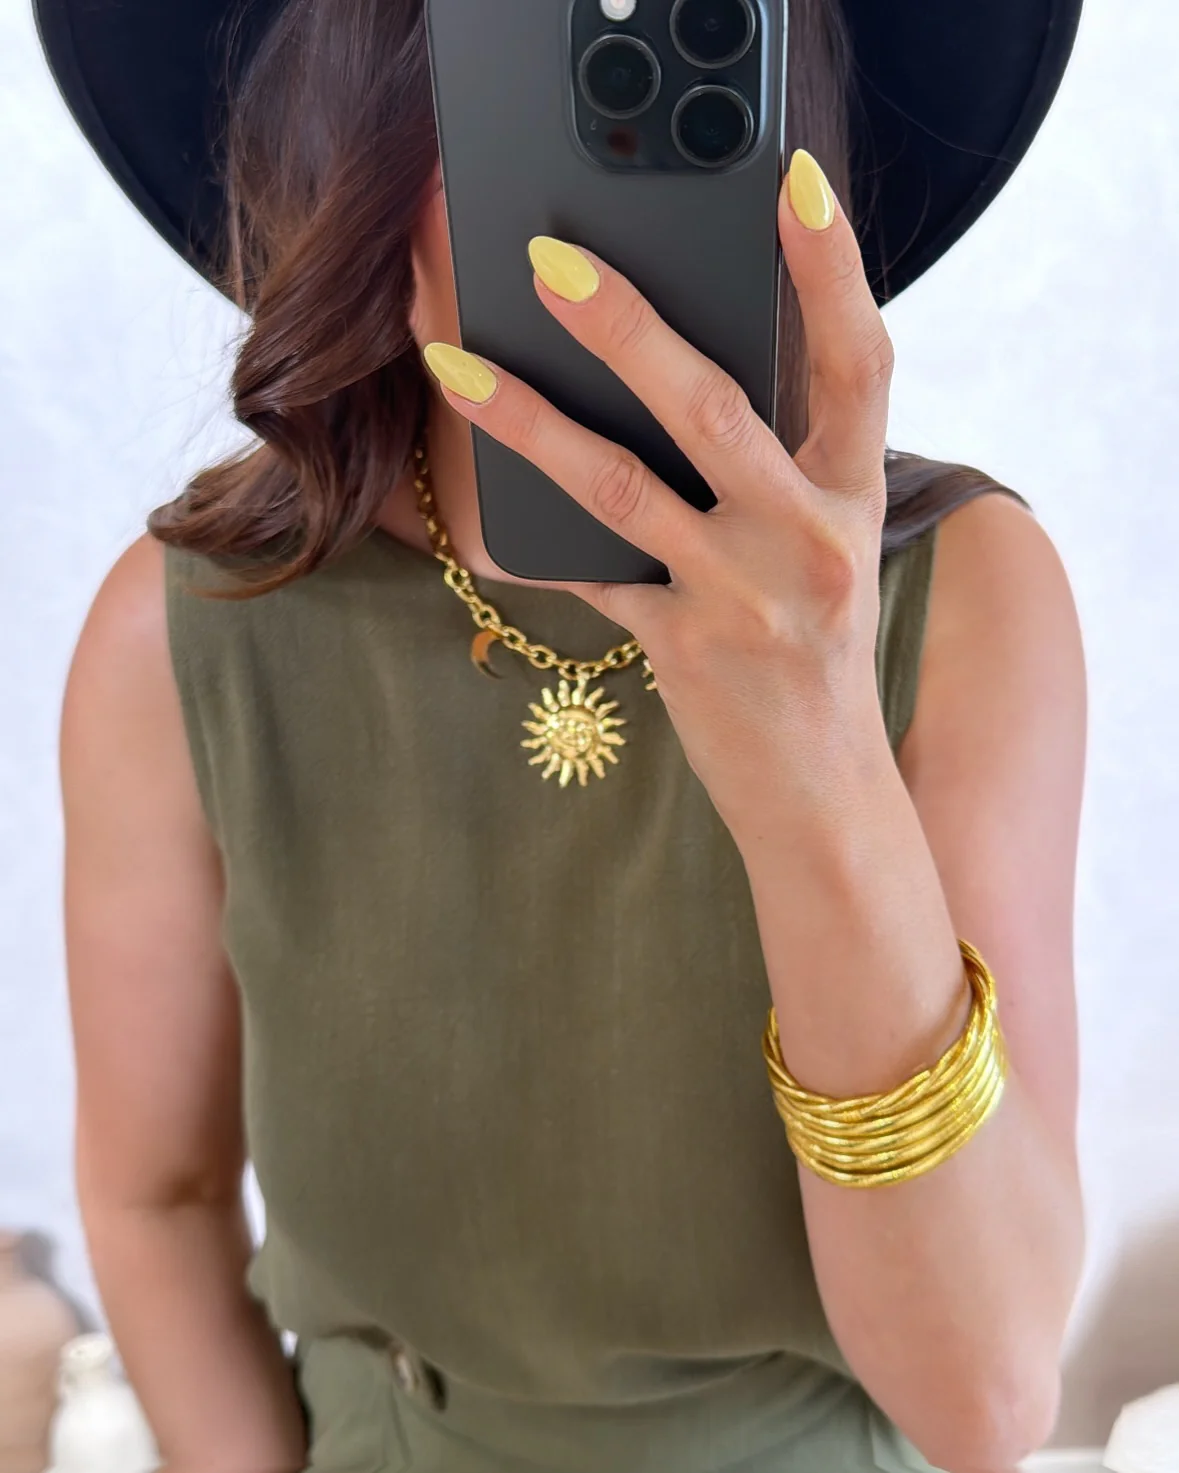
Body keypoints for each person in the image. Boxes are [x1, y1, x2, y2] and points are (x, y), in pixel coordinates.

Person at [42, 0, 1088, 1468]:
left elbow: (984, 1404)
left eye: (684, 55)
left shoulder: (960, 593)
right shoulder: (187, 636)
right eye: (518, 58)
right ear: (346, 123)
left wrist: (818, 757)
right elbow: (155, 1202)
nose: (595, 163)